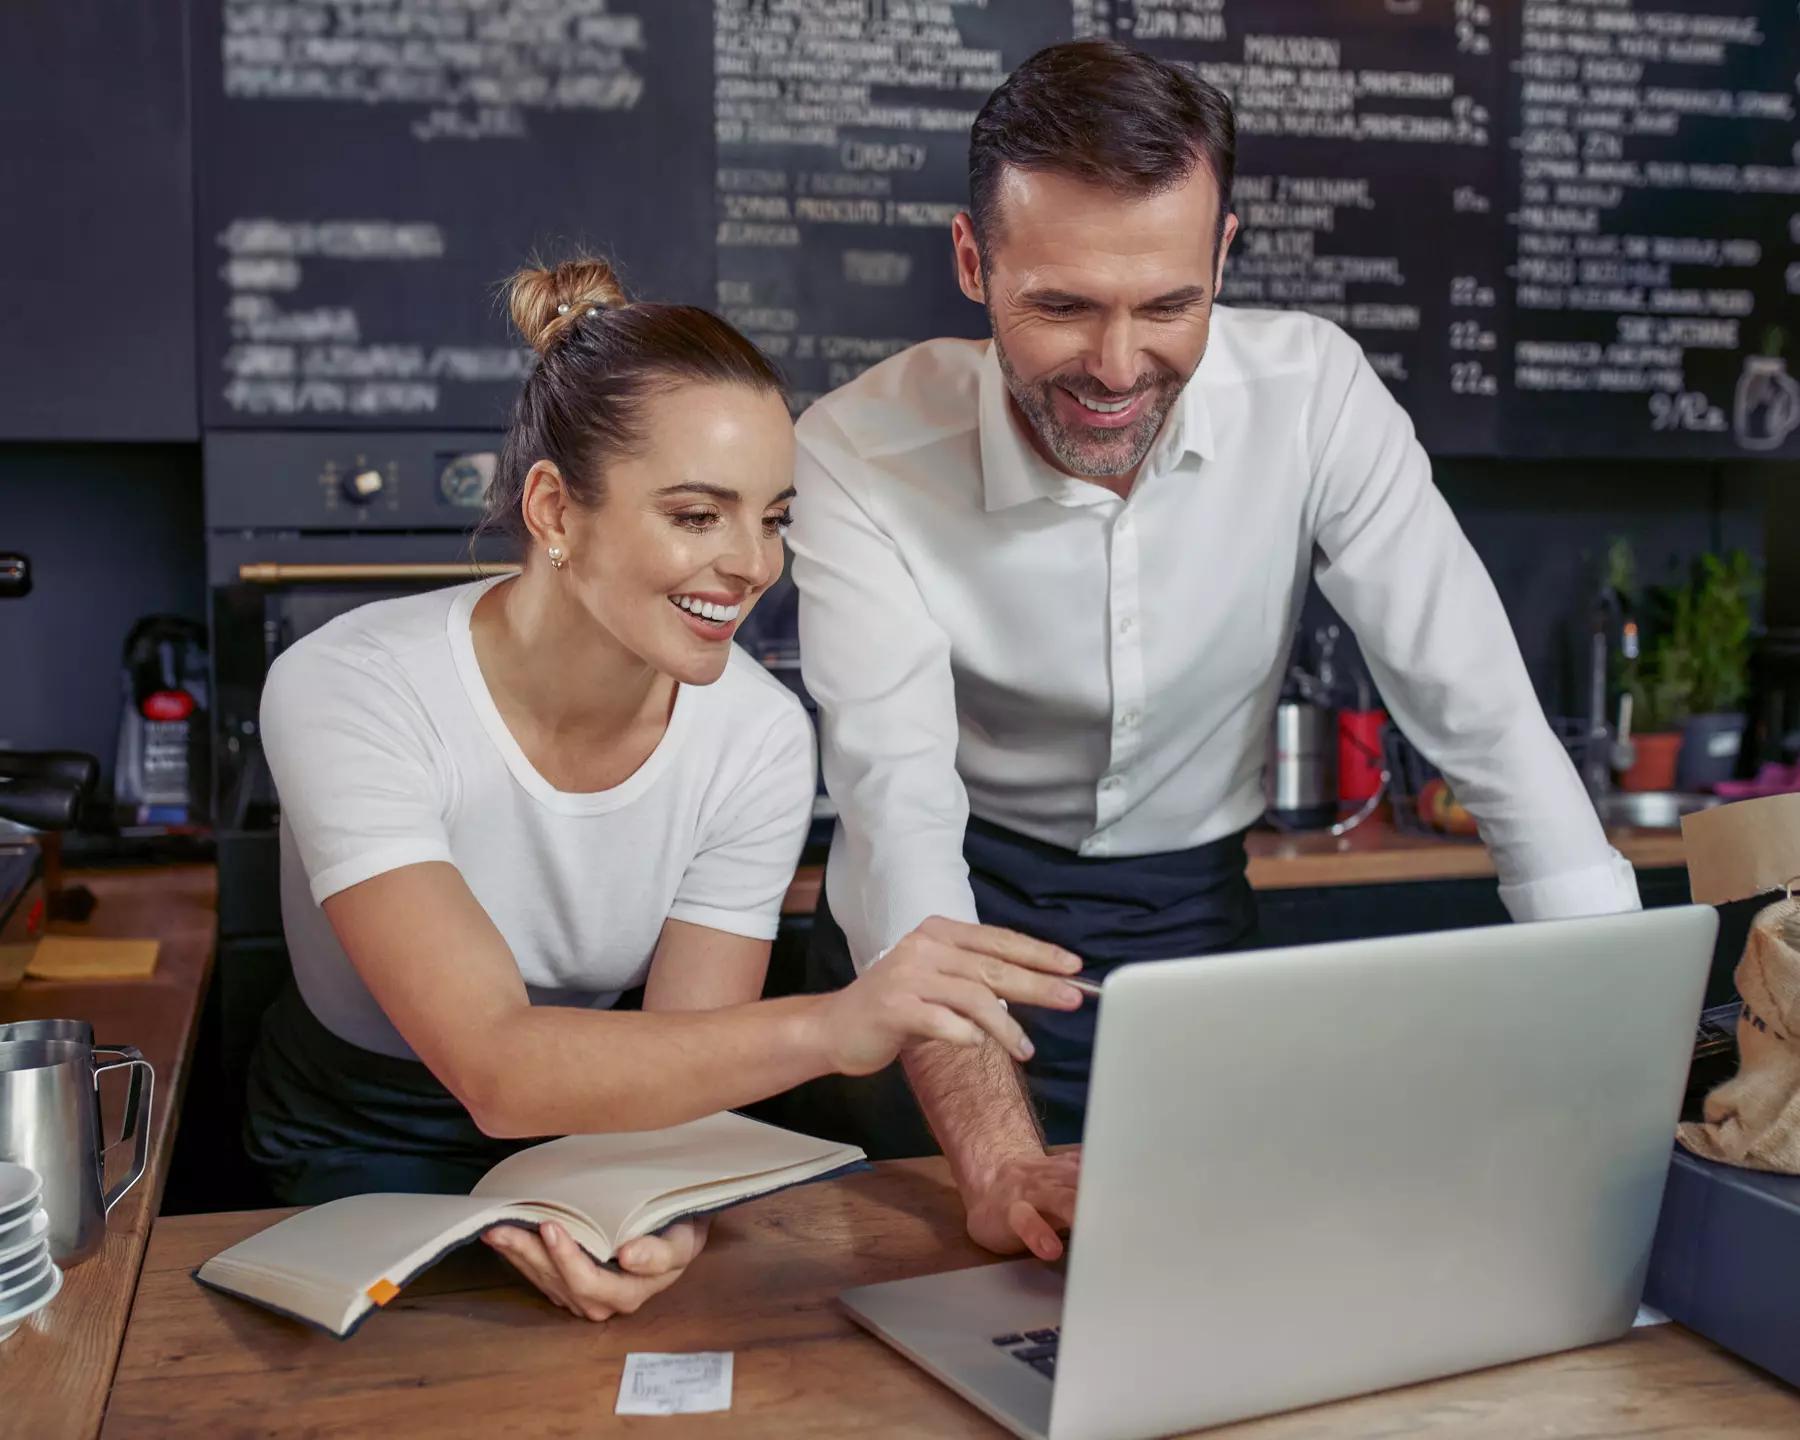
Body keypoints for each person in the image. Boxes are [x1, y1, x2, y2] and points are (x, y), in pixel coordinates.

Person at [785, 41, 1641, 1263]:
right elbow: (897, 812)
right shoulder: (859, 450)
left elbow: (1484, 717)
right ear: (974, 264)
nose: (1119, 369)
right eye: (1064, 305)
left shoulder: (1315, 397)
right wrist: (996, 1162)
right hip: (957, 921)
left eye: (1169, 304)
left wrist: (1618, 1049)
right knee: (942, 1287)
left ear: (1224, 255)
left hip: (1191, 920)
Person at [244, 255, 1086, 1323]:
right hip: (356, 1142)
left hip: (603, 1117)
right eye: (698, 516)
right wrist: (840, 1023)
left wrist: (655, 1206)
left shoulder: (759, 738)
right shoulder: (348, 685)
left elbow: (686, 1075)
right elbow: (495, 1065)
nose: (751, 564)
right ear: (554, 507)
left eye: (774, 517)